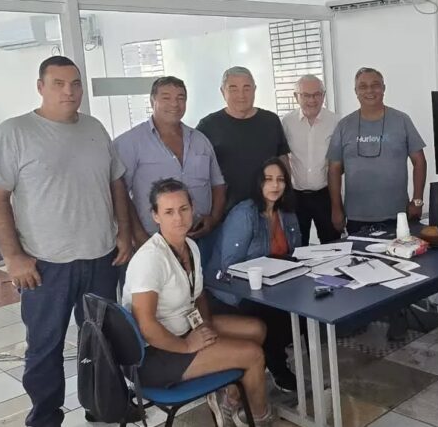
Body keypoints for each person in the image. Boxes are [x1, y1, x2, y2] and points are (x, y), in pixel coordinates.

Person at [0, 56, 132, 427]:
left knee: (101, 341)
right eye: (58, 83)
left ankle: (103, 406)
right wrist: (13, 257)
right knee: (45, 347)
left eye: (75, 83)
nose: (69, 91)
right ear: (40, 87)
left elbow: (116, 183)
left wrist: (124, 232)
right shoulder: (15, 132)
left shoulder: (94, 128)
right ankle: (45, 418)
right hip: (45, 265)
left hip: (101, 257)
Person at [124, 179, 272, 426]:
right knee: (253, 355)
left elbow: (199, 295)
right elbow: (146, 327)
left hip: (183, 328)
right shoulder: (150, 259)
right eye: (169, 212)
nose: (178, 218)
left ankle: (229, 400)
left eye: (183, 209)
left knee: (257, 329)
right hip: (153, 354)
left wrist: (204, 324)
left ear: (192, 208)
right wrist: (187, 345)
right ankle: (258, 418)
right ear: (156, 216)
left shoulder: (190, 246)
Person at [205, 157, 302, 392]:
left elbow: (296, 252)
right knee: (271, 317)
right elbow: (230, 266)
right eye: (268, 179)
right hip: (233, 291)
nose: (275, 185)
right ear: (259, 183)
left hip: (273, 286)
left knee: (302, 310)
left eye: (280, 180)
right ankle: (276, 366)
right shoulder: (245, 214)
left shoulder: (287, 212)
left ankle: (276, 360)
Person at [115, 76, 226, 249]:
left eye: (180, 98)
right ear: (152, 101)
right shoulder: (130, 142)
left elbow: (217, 184)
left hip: (200, 239)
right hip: (153, 241)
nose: (174, 104)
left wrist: (213, 218)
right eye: (166, 98)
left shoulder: (200, 140)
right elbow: (119, 193)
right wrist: (138, 235)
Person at [328, 67, 428, 235]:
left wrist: (417, 201)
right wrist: (336, 208)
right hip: (356, 217)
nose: (370, 90)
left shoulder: (402, 120)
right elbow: (334, 169)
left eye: (375, 85)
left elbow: (419, 161)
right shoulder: (343, 126)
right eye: (363, 86)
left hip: (398, 215)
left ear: (383, 88)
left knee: (399, 253)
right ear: (356, 91)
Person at [197, 66, 290, 212]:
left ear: (255, 89)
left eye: (247, 88)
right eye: (233, 89)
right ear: (222, 91)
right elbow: (198, 170)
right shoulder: (208, 126)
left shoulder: (271, 121)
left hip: (269, 208)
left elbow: (282, 159)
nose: (241, 95)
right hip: (227, 211)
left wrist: (286, 195)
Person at [282, 74, 341, 245]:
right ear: (296, 97)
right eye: (306, 95)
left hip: (326, 195)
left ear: (324, 95)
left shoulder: (336, 122)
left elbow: (340, 162)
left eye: (317, 94)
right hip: (296, 196)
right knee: (297, 245)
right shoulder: (287, 122)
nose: (312, 100)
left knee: (332, 245)